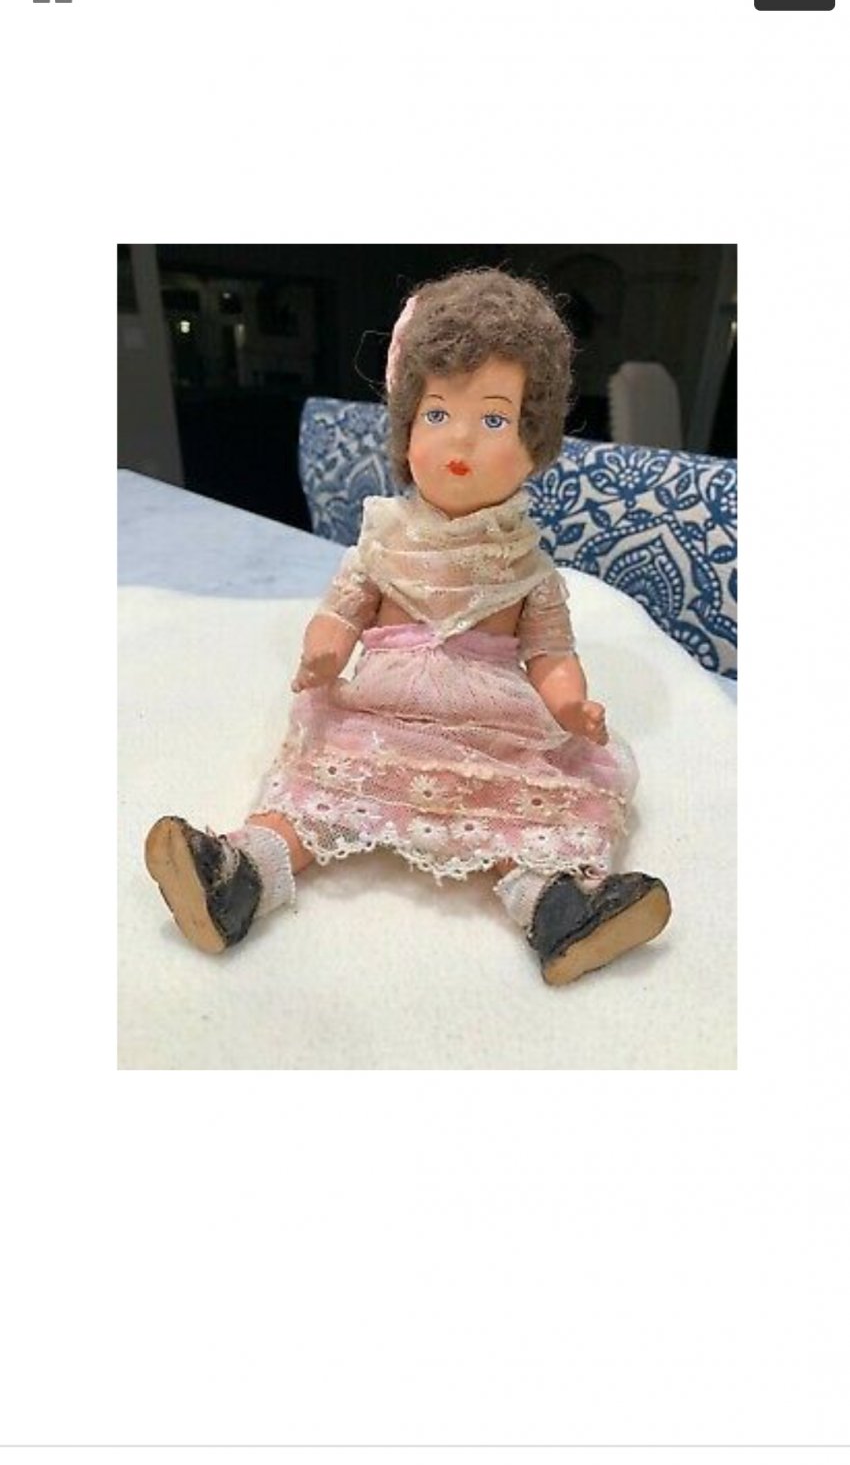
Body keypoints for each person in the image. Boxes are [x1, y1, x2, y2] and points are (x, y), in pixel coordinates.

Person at [145, 269, 671, 985]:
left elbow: (549, 651)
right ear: (406, 427)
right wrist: (324, 650)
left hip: (489, 719)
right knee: (322, 788)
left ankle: (555, 906)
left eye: (493, 420)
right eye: (437, 413)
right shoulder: (382, 540)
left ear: (534, 442)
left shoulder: (527, 567)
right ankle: (242, 874)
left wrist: (569, 700)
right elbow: (343, 610)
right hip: (381, 708)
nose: (461, 440)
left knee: (521, 802)